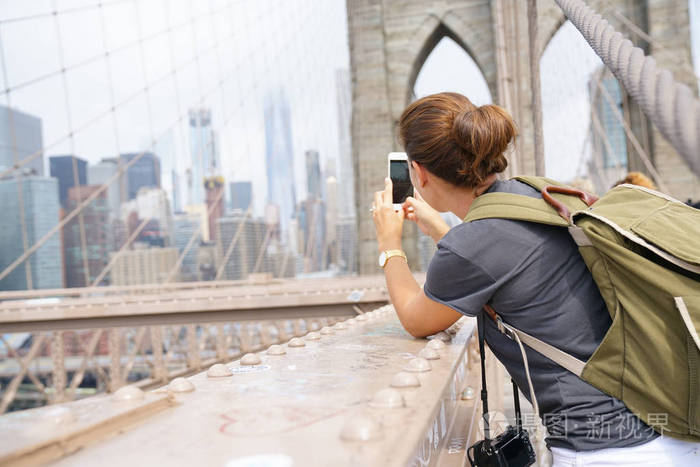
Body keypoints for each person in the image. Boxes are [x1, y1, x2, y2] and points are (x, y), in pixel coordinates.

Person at [371, 92, 700, 466]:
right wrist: (440, 230)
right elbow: (503, 260)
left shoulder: (471, 245)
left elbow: (417, 318)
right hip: (673, 431)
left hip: (605, 451)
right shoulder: (538, 191)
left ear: (420, 172)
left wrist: (389, 244)